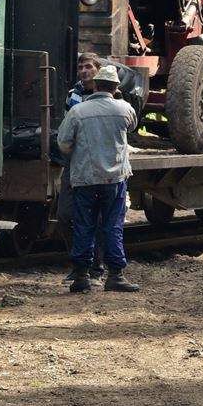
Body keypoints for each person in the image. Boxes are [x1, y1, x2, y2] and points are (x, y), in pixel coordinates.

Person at [57, 65, 139, 293]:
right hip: (114, 179)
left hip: (85, 178)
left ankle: (81, 275)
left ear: (95, 85)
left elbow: (63, 143)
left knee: (83, 225)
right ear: (115, 87)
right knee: (112, 225)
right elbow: (132, 127)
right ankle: (115, 275)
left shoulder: (78, 111)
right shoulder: (124, 109)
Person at [58, 52, 105, 285]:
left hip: (98, 162)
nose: (84, 71)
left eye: (88, 67)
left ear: (98, 69)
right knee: (65, 215)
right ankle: (77, 264)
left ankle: (94, 268)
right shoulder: (72, 95)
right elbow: (67, 125)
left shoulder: (108, 94)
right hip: (75, 160)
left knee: (94, 217)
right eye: (81, 68)